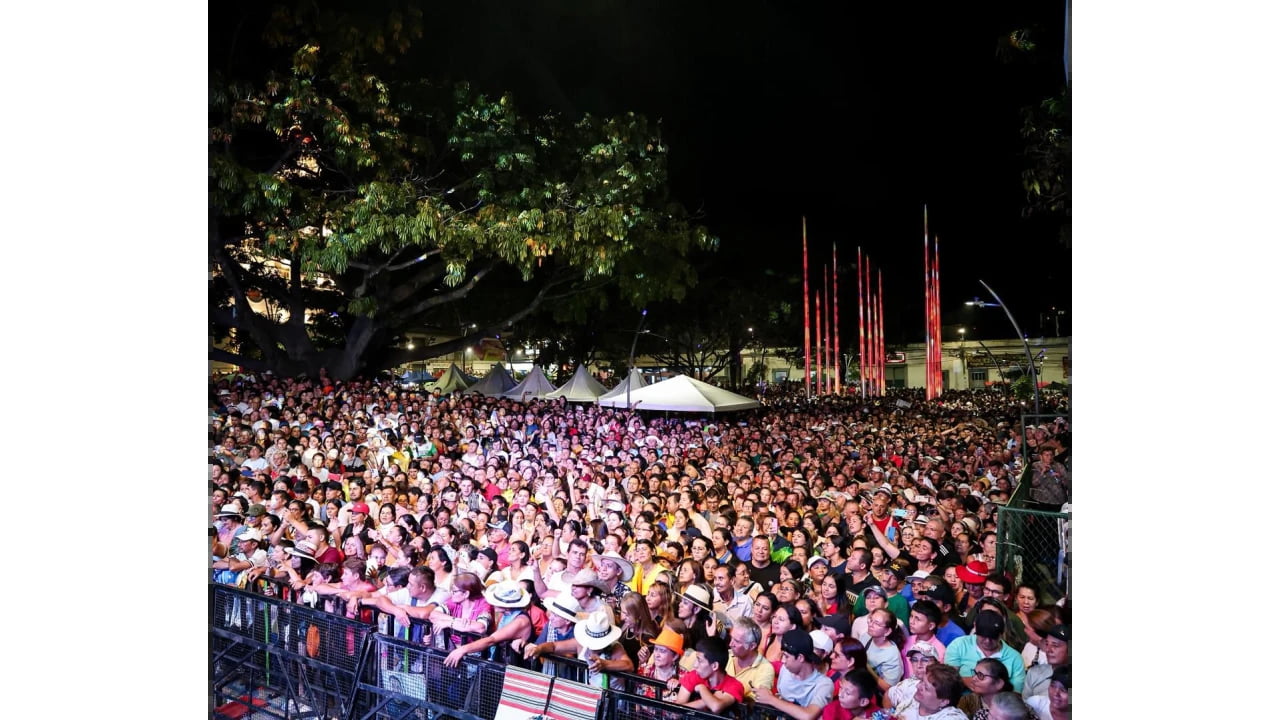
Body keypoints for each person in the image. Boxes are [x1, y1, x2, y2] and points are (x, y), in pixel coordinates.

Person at [442, 579, 534, 667]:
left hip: (515, 668)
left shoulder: (520, 621)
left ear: (507, 605)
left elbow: (492, 639)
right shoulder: (505, 614)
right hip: (500, 662)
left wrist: (462, 650)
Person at [754, 628, 835, 720]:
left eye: (786, 656)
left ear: (800, 657)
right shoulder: (785, 671)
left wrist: (770, 699)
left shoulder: (824, 684)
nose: (783, 661)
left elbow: (808, 715)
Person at [943, 611, 1026, 693]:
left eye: (993, 637)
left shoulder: (1015, 658)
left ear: (1002, 634)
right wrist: (964, 680)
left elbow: (1016, 694)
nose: (987, 641)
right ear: (975, 627)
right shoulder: (959, 645)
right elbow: (947, 680)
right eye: (983, 636)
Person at [672, 636, 746, 713]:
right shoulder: (694, 675)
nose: (695, 665)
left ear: (714, 666)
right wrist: (710, 699)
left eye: (699, 660)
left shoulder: (734, 685)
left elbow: (716, 707)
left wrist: (701, 688)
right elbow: (676, 711)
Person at [891, 662, 967, 720]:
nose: (918, 686)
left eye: (926, 688)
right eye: (921, 681)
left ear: (943, 701)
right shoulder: (914, 691)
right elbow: (890, 694)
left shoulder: (952, 718)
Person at [725, 616, 775, 702]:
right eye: (731, 638)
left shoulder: (766, 669)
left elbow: (753, 703)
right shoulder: (727, 655)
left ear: (752, 646)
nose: (730, 644)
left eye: (736, 641)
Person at [1022, 625, 1069, 698]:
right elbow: (1024, 705)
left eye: (1055, 645)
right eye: (1047, 644)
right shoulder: (1034, 673)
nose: (1048, 649)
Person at [823, 669, 887, 720]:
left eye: (847, 693)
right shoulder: (831, 710)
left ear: (863, 702)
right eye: (841, 688)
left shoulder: (877, 714)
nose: (840, 695)